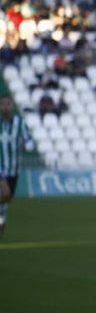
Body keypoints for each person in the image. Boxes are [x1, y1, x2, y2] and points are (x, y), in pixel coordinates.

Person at [0, 95, 36, 241]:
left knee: (6, 201)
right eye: (2, 104)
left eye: (8, 103)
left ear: (12, 106)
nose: (5, 106)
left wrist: (25, 146)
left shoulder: (20, 124)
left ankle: (1, 218)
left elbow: (31, 143)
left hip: (14, 170)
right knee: (5, 193)